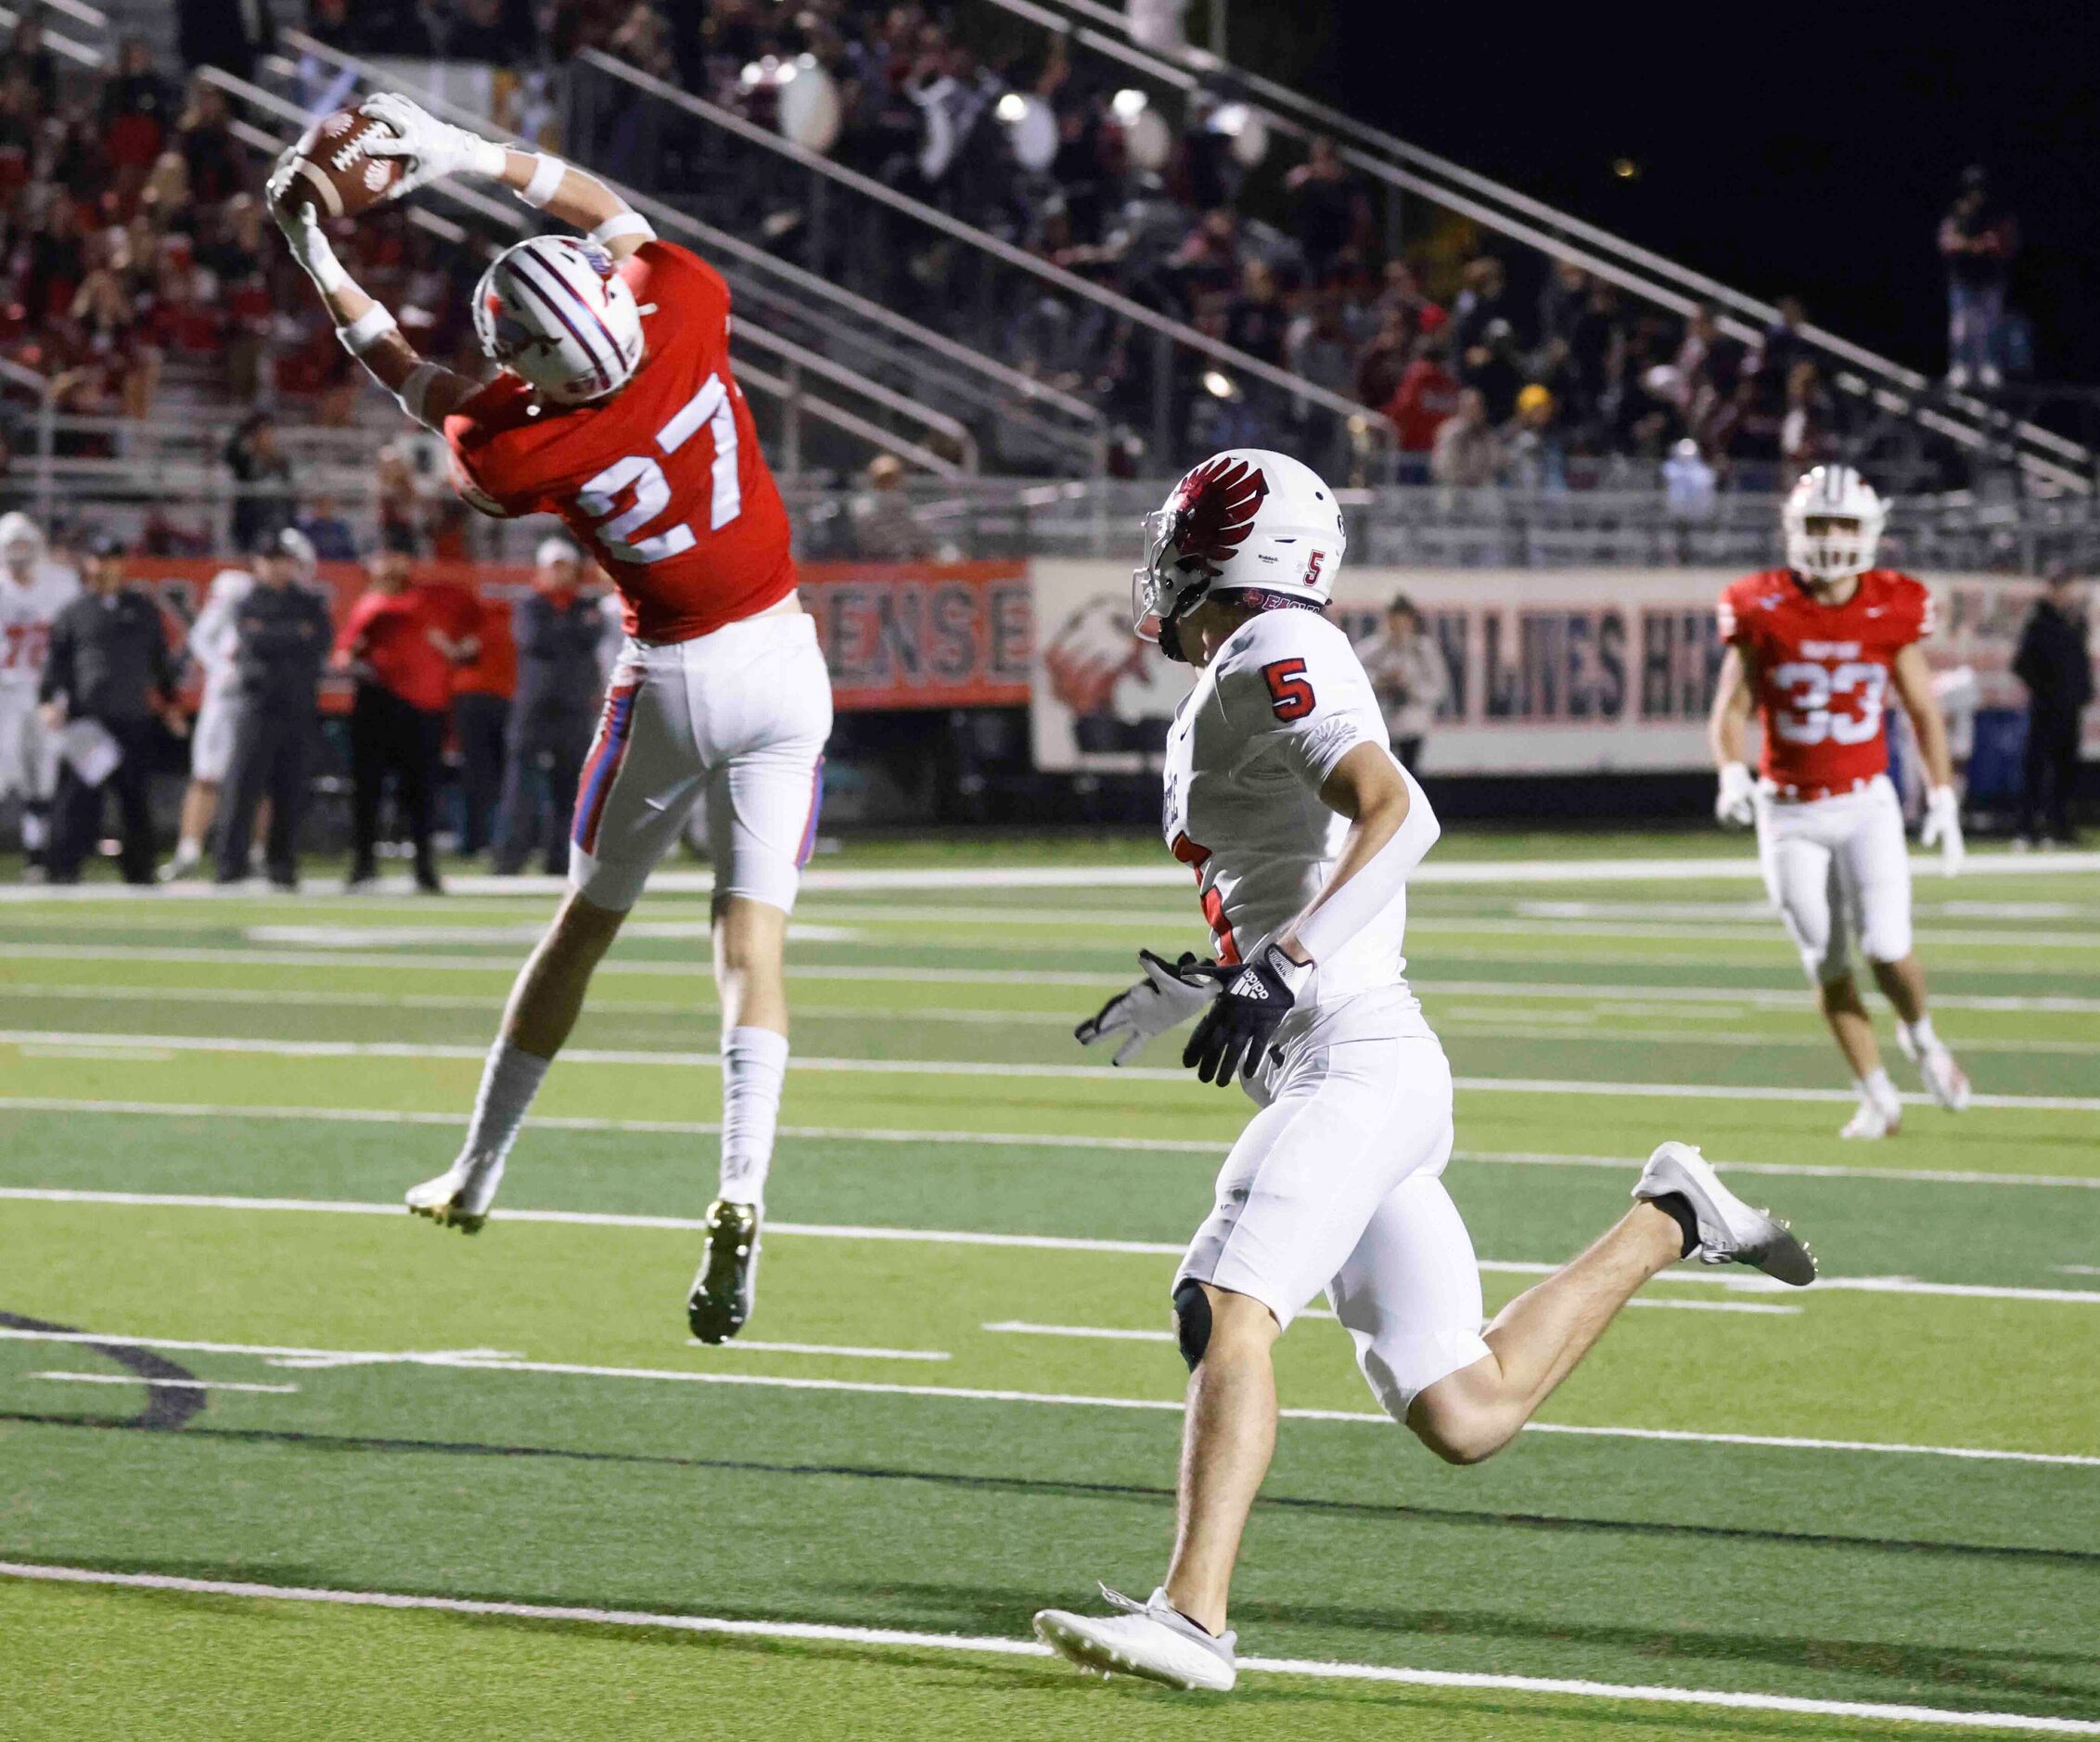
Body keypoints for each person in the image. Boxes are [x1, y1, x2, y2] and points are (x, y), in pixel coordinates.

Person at [1032, 450, 1815, 1692]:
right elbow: (1295, 863)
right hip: (1346, 1059)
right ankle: (1674, 1215)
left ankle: (1193, 1617)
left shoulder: (1275, 648)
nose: (1162, 564)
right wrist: (1211, 974)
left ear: (1227, 553)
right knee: (1467, 1407)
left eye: (1180, 539)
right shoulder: (1247, 666)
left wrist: (1278, 967)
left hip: (1355, 1056)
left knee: (1227, 1304)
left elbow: (1401, 810)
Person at [270, 94, 832, 1343]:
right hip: (789, 660)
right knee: (754, 947)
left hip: (678, 676)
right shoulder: (685, 308)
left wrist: (316, 249)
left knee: (584, 928)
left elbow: (409, 376)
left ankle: (479, 1168)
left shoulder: (515, 446)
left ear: (530, 356)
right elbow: (599, 208)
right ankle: (742, 1184)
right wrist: (470, 152)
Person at [1709, 465, 1972, 1139]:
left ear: (1870, 531)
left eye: (1844, 524)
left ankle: (1921, 1036)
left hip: (1864, 802)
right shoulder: (1759, 603)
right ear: (1794, 529)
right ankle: (1877, 1094)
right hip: (1789, 811)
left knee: (1886, 945)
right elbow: (1730, 708)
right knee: (1825, 964)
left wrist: (1942, 791)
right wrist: (1730, 773)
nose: (1830, 538)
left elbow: (1920, 707)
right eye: (1818, 524)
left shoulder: (1894, 603)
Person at [167, 530, 317, 878]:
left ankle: (258, 851)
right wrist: (224, 671)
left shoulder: (294, 599)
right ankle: (189, 849)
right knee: (208, 771)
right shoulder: (237, 589)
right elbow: (201, 636)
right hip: (229, 695)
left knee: (259, 778)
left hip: (266, 696)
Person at [38, 534, 186, 884]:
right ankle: (62, 868)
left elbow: (159, 661)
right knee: (77, 796)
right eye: (100, 559)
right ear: (89, 564)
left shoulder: (142, 609)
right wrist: (48, 700)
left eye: (114, 558)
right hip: (88, 718)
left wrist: (170, 704)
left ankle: (139, 868)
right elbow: (56, 663)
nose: (106, 566)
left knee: (134, 793)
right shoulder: (74, 612)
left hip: (132, 715)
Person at [334, 548, 460, 893]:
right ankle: (364, 864)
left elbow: (448, 651)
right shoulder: (369, 606)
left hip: (419, 708)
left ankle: (423, 866)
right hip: (378, 702)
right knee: (368, 789)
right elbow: (344, 653)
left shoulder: (424, 604)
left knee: (420, 791)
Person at [214, 527, 333, 887]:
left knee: (291, 788)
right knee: (242, 786)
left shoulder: (309, 603)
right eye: (270, 560)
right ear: (257, 564)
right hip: (257, 704)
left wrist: (279, 636)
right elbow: (254, 639)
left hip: (297, 704)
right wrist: (293, 635)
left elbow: (320, 643)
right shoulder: (247, 601)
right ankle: (229, 865)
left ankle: (282, 865)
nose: (276, 568)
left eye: (282, 560)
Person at [493, 536, 606, 875]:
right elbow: (534, 640)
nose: (560, 575)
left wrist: (564, 632)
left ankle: (561, 858)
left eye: (565, 567)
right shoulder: (531, 605)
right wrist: (571, 632)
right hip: (535, 703)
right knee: (520, 781)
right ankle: (510, 857)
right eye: (554, 567)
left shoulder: (587, 606)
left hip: (573, 703)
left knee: (570, 783)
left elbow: (588, 637)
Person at [0, 512, 81, 878]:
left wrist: (65, 691)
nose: (18, 553)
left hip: (45, 691)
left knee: (43, 775)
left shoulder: (61, 583)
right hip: (3, 690)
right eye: (11, 545)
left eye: (23, 545)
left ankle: (37, 855)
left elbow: (73, 641)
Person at [2012, 571, 2091, 848]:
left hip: (2070, 708)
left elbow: (2079, 663)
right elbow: (2022, 663)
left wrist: (2081, 693)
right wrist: (2045, 689)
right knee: (2037, 767)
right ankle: (2027, 828)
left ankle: (2059, 828)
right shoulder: (2039, 621)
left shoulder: (2077, 621)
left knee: (2065, 768)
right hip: (2045, 707)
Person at [1938, 167, 2017, 390]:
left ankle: (1988, 366)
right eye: (1973, 190)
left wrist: (1991, 245)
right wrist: (1972, 246)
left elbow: (2008, 244)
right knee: (1962, 326)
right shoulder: (1957, 213)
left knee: (1989, 326)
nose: (1977, 195)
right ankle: (1960, 366)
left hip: (1990, 280)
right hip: (1963, 280)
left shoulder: (1998, 215)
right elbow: (1946, 242)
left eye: (1980, 190)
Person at [1357, 593, 1446, 767]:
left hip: (1412, 724)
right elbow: (1354, 676)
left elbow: (1437, 689)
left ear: (1411, 621)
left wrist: (1409, 685)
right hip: (1381, 723)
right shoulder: (1372, 648)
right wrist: (1380, 681)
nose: (1398, 624)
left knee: (1409, 776)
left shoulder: (1424, 650)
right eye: (1394, 618)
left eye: (1403, 619)